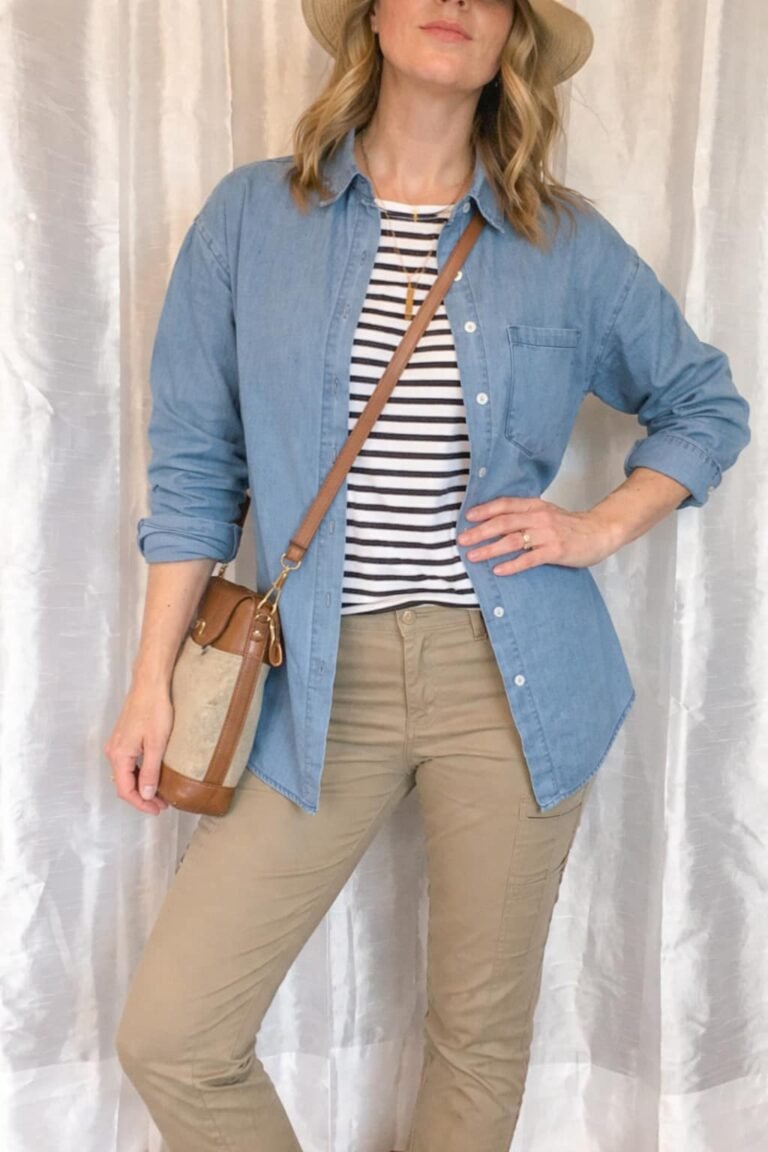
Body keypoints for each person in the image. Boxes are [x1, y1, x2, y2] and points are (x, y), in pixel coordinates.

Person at [107, 1, 751, 1150]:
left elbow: (704, 402)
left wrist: (595, 529)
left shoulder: (568, 245)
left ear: (512, 39)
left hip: (511, 686)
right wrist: (153, 682)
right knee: (176, 1036)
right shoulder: (254, 218)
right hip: (315, 680)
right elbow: (198, 468)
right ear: (369, 17)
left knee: (476, 1040)